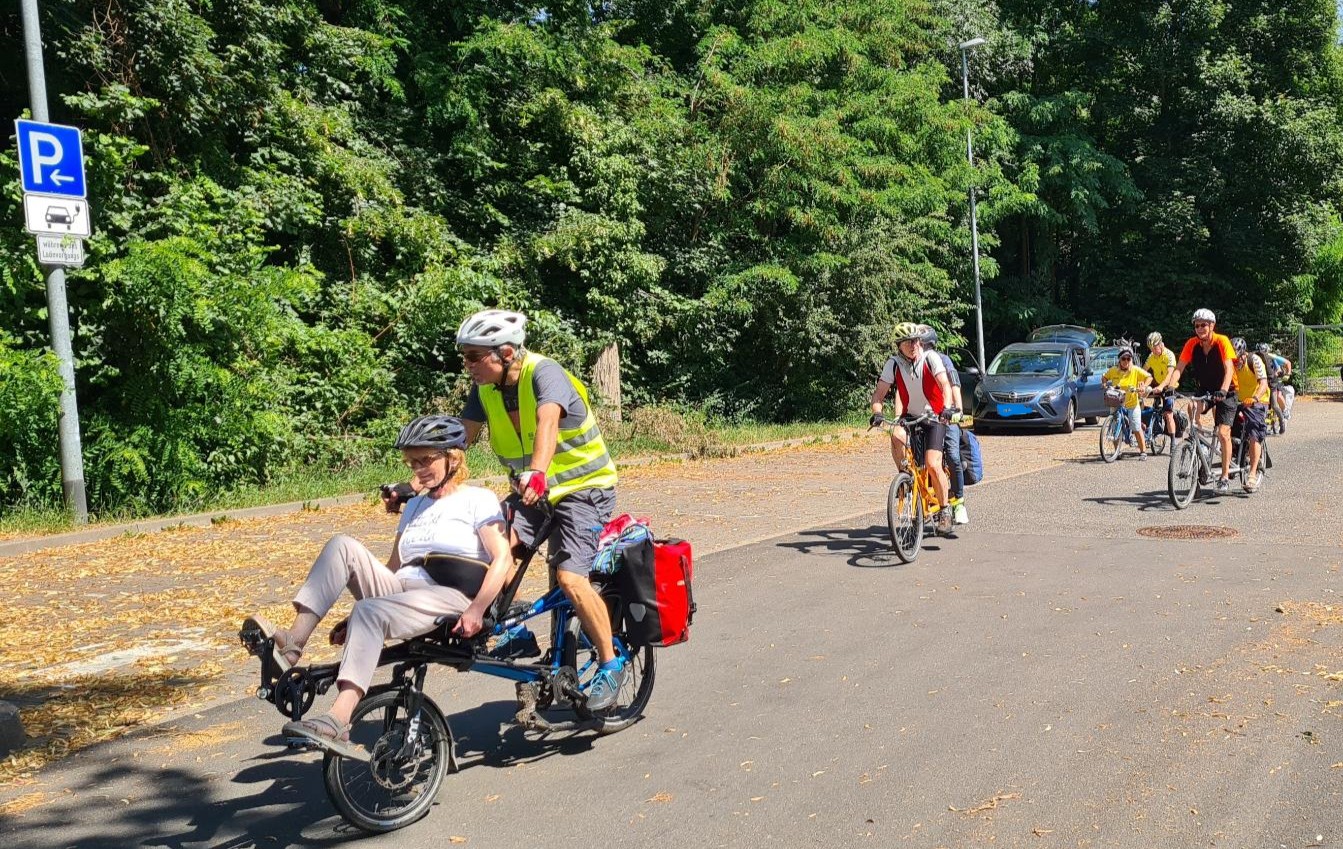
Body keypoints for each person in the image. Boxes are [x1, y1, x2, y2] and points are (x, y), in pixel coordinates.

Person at [242, 415, 511, 756]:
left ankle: (339, 718)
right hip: (403, 587)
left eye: (425, 459)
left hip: (449, 596)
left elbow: (503, 559)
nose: (418, 468)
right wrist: (352, 618)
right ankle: (293, 643)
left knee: (368, 611)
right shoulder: (414, 505)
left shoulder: (478, 499)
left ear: (453, 457)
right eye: (412, 461)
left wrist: (477, 608)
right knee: (342, 546)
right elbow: (393, 568)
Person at [454, 309, 627, 710]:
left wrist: (537, 471)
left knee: (570, 577)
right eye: (464, 357)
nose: (468, 366)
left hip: (585, 489)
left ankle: (610, 663)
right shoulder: (484, 390)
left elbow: (547, 422)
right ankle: (509, 631)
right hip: (534, 493)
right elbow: (457, 441)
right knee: (493, 551)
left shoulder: (545, 374)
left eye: (474, 357)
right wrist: (415, 484)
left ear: (507, 352)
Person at [870, 321, 957, 534]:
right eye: (908, 342)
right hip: (911, 416)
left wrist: (946, 408)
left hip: (935, 416)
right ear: (899, 345)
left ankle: (945, 511)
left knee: (932, 463)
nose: (913, 345)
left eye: (916, 340)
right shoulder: (893, 364)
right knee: (896, 435)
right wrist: (877, 413)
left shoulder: (931, 358)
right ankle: (905, 478)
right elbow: (879, 394)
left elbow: (945, 385)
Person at [1167, 308, 1239, 493]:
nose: (1200, 329)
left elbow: (1229, 367)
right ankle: (1200, 446)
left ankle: (1224, 477)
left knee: (1223, 433)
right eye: (1197, 325)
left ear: (1212, 326)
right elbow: (1179, 367)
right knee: (1191, 406)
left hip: (1226, 391)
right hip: (1205, 389)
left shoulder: (1222, 341)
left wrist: (1223, 390)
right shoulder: (1192, 344)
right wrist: (1170, 386)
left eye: (1203, 325)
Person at [919, 324, 969, 525]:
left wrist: (957, 409)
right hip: (924, 416)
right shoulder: (913, 364)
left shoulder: (943, 360)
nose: (918, 347)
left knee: (953, 457)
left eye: (922, 344)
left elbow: (954, 386)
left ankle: (958, 503)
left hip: (945, 416)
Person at [1232, 338, 1270, 492]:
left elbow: (1263, 383)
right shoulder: (1231, 363)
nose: (1237, 363)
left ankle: (1252, 474)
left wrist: (1254, 398)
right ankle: (1234, 455)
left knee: (1254, 432)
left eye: (1238, 359)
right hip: (1238, 400)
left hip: (1258, 400)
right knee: (1225, 427)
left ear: (1243, 354)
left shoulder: (1254, 360)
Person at [1101, 347, 1153, 457]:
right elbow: (1104, 377)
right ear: (1119, 359)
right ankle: (1117, 452)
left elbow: (1149, 377)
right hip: (1116, 401)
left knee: (1136, 426)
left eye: (1128, 359)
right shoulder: (1114, 370)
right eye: (1123, 359)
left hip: (1132, 403)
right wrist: (1105, 384)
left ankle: (1143, 451)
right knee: (1115, 425)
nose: (1126, 361)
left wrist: (1144, 385)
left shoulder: (1135, 370)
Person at [1144, 332, 1179, 440]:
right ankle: (1155, 432)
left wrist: (1161, 386)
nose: (1153, 351)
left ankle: (1173, 442)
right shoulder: (1151, 356)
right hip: (1157, 385)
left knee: (1168, 414)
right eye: (1151, 349)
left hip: (1169, 386)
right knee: (1152, 410)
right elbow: (1143, 371)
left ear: (1161, 344)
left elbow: (1170, 375)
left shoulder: (1169, 355)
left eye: (1154, 348)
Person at [1256, 342, 1293, 429]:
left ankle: (1284, 413)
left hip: (1274, 380)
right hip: (1263, 381)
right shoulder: (1256, 358)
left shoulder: (1272, 357)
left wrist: (1287, 374)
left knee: (1277, 397)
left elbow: (1288, 363)